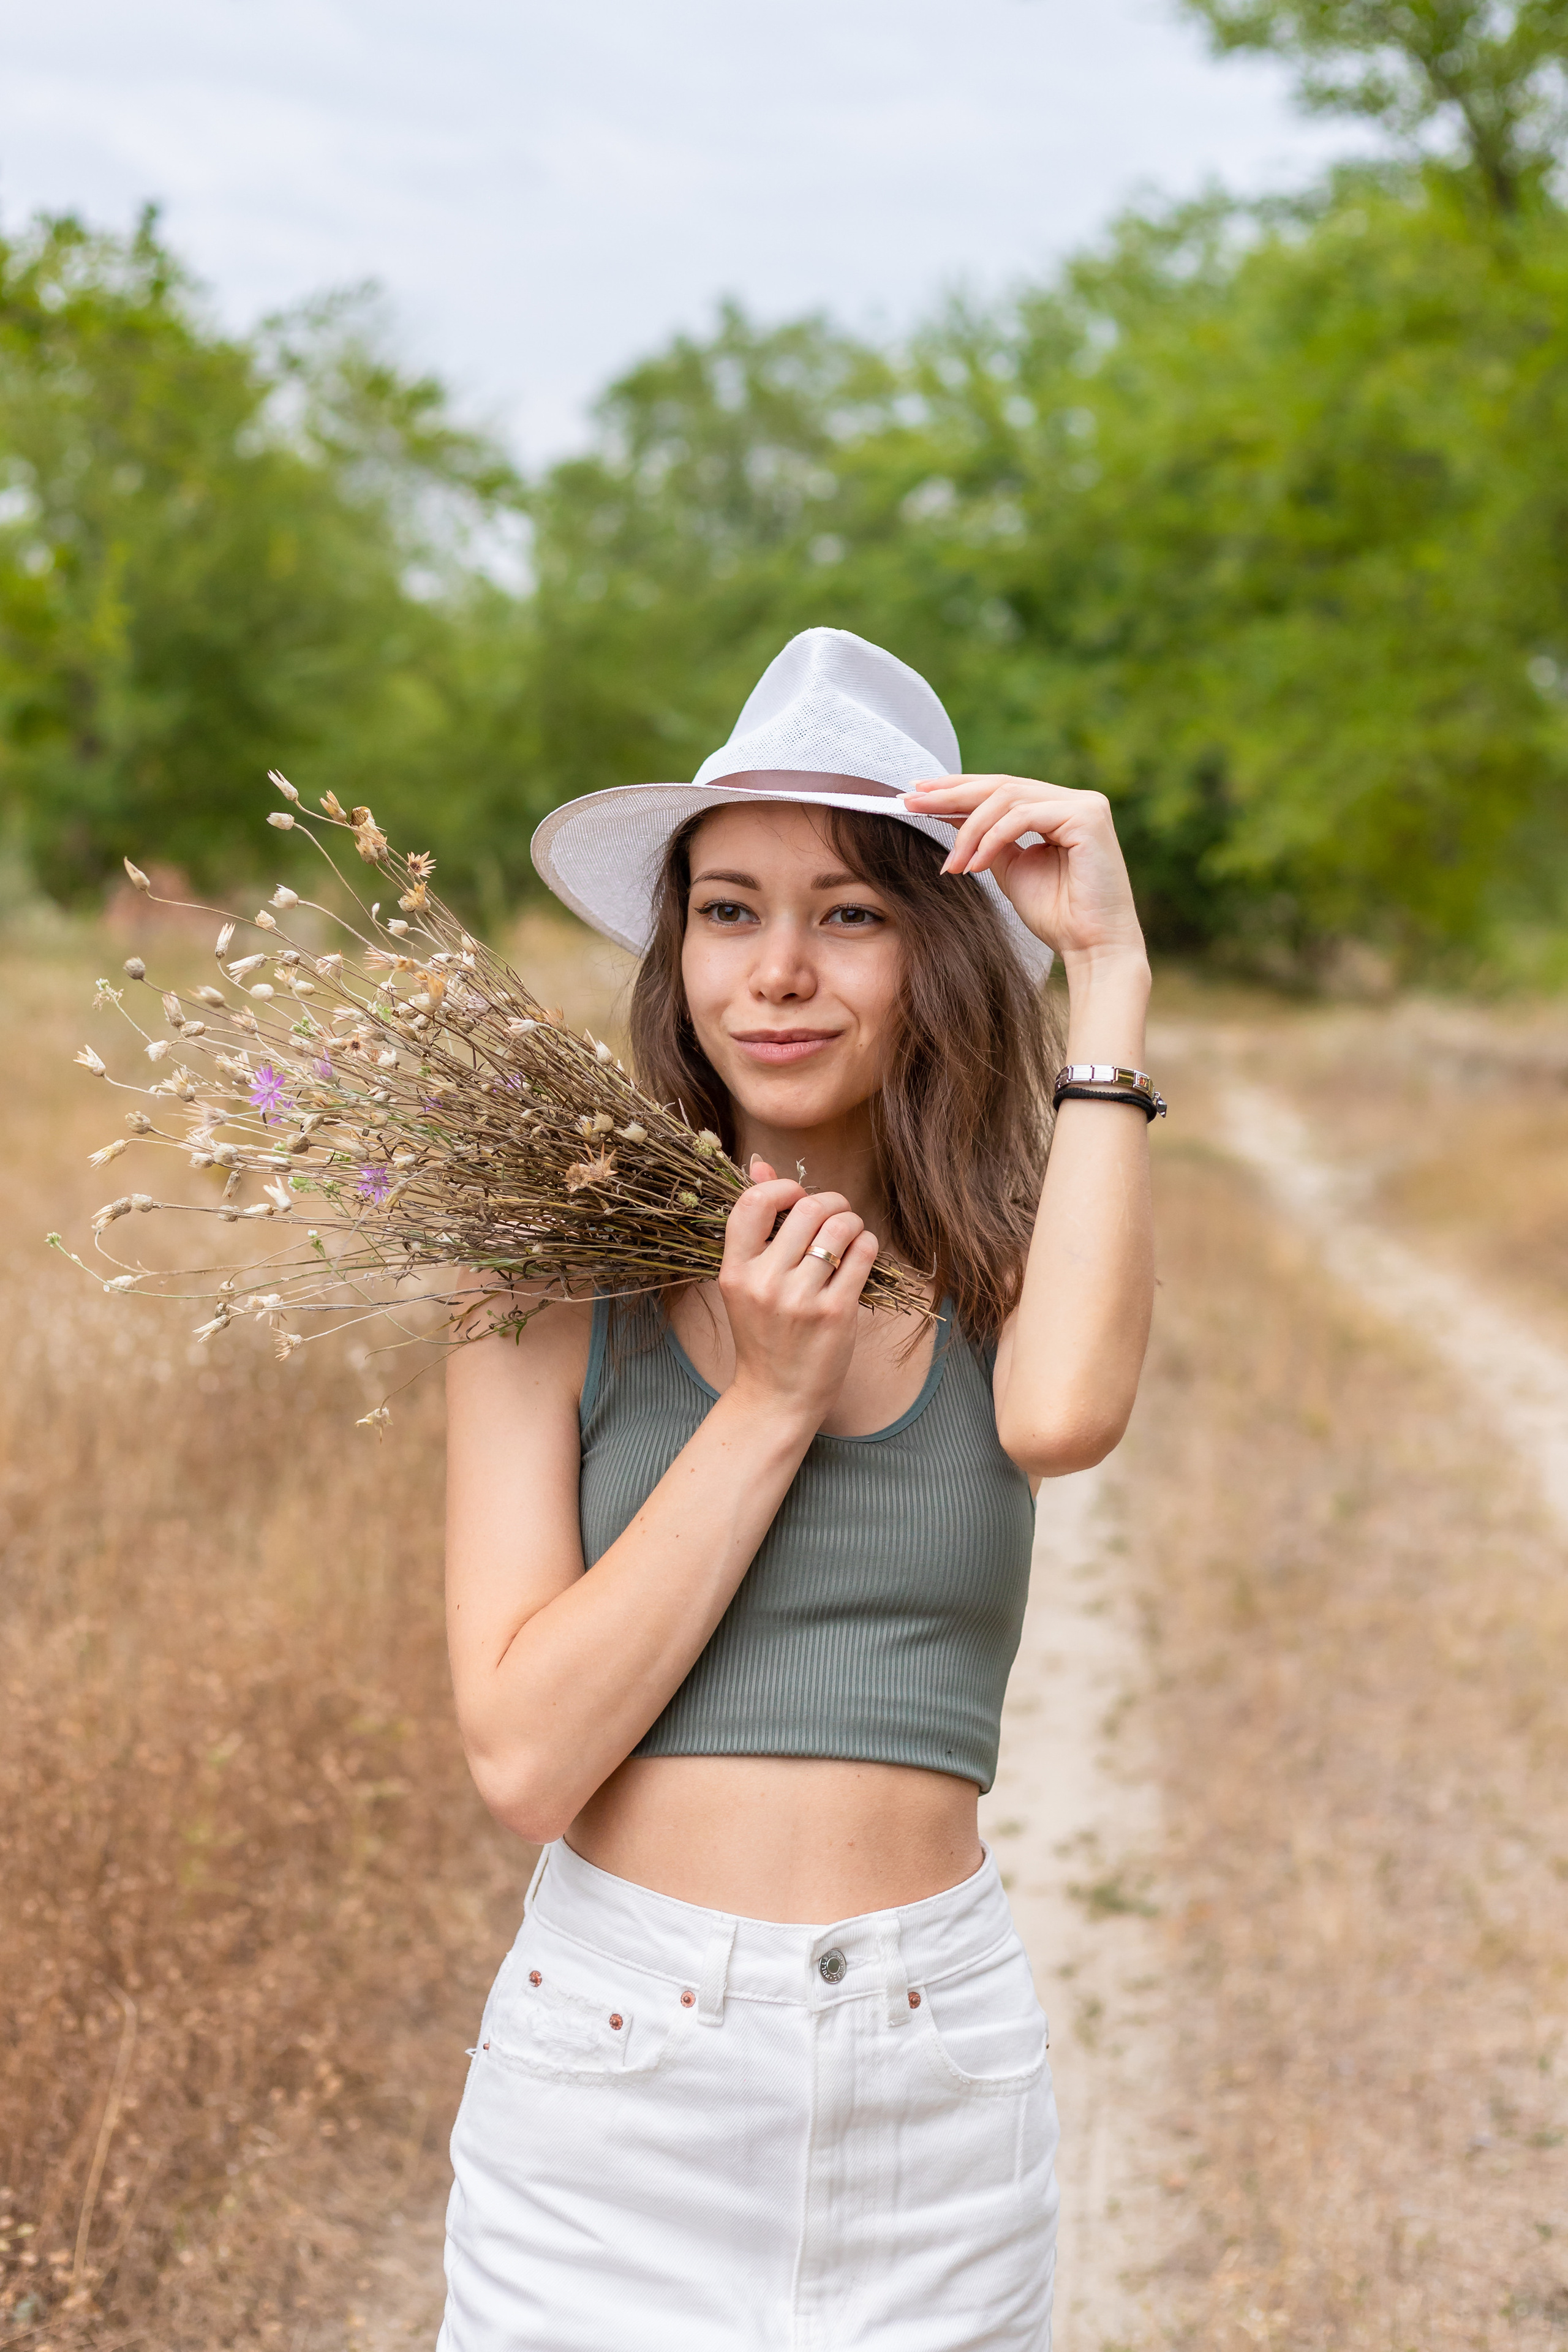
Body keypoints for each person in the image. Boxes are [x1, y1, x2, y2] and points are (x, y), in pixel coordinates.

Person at [439, 628, 1157, 2351]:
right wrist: (767, 1401)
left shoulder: (1002, 1265)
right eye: (730, 908)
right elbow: (526, 1756)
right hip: (615, 2083)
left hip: (937, 2074)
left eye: (852, 913)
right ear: (677, 946)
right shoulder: (538, 1279)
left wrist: (1113, 970)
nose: (778, 971)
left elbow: (1060, 1423)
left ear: (940, 954)